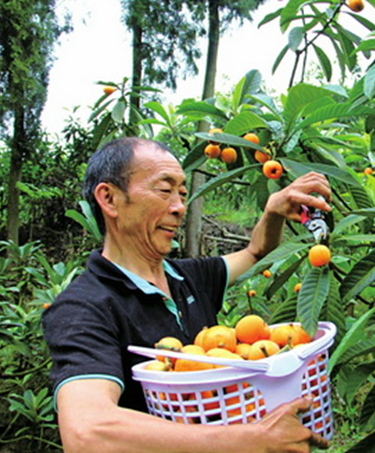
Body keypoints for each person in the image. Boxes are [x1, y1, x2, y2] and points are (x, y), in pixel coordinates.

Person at [42, 137, 332, 453]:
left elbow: (255, 252)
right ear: (109, 198)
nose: (180, 207)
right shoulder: (83, 306)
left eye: (182, 193)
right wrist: (251, 440)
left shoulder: (188, 276)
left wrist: (274, 210)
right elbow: (87, 432)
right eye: (164, 190)